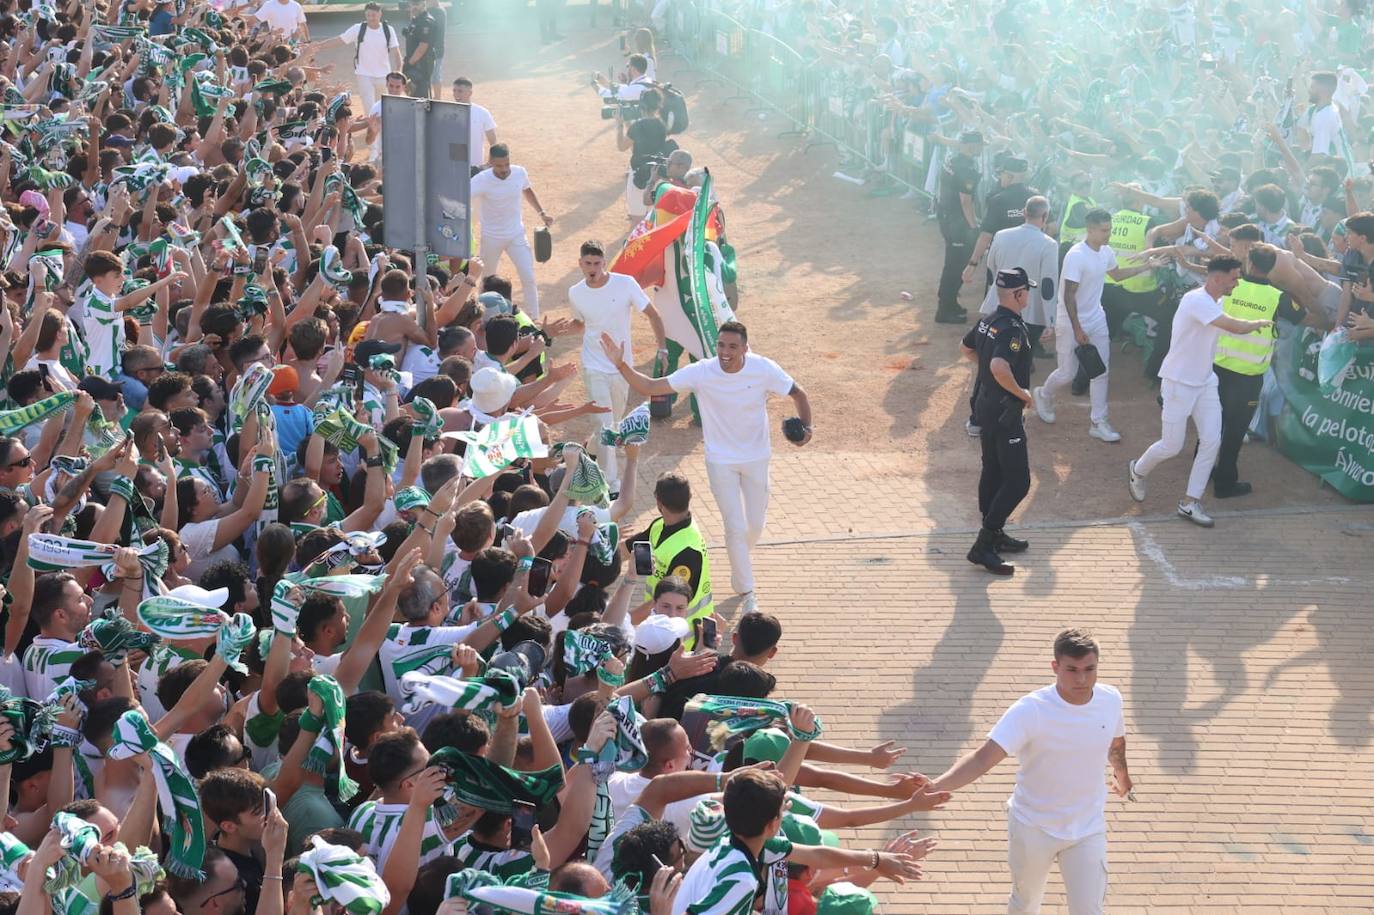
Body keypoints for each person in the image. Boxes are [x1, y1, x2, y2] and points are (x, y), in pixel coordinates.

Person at [600, 321, 811, 608]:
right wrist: (621, 364)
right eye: (721, 345)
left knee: (754, 527)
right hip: (720, 461)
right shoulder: (702, 372)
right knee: (735, 527)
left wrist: (806, 430)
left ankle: (740, 564)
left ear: (745, 348)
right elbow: (650, 386)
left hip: (757, 458)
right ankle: (748, 593)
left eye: (733, 346)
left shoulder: (763, 369)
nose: (725, 352)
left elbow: (799, 393)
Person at [927, 629, 1132, 915]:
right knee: (1025, 904)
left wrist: (1122, 775)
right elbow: (982, 759)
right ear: (1055, 667)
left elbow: (1116, 741)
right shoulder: (1030, 710)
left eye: (1089, 669)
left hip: (1087, 829)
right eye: (1072, 670)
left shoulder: (1111, 699)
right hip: (1033, 827)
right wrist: (934, 786)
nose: (1082, 679)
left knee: (1089, 909)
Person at [1128, 257, 1272, 527]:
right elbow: (1235, 327)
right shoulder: (1197, 301)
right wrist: (1258, 322)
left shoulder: (1215, 301)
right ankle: (1137, 470)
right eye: (1234, 278)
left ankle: (1190, 502)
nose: (1237, 282)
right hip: (1178, 382)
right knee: (1171, 445)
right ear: (1217, 279)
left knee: (1211, 441)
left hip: (1206, 382)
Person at [1032, 209, 1160, 444]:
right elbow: (1069, 296)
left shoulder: (1106, 252)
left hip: (1097, 319)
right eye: (1104, 230)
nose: (1108, 234)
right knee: (1067, 373)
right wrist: (1078, 329)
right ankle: (1043, 393)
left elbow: (1118, 274)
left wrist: (1147, 266)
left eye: (1109, 229)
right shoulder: (1076, 255)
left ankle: (1098, 422)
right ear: (1089, 230)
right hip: (1070, 320)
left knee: (1101, 370)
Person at [566, 240, 667, 495]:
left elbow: (653, 315)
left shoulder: (625, 284)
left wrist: (662, 347)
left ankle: (590, 449)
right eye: (588, 263)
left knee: (614, 422)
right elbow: (581, 324)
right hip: (593, 365)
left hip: (621, 366)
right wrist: (562, 329)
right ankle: (610, 484)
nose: (593, 268)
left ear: (604, 262)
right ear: (580, 264)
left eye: (597, 263)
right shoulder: (575, 293)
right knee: (607, 425)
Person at [1210, 245, 1303, 498]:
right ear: (1272, 267)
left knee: (1210, 424)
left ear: (1248, 261)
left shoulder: (1230, 286)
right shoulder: (1278, 296)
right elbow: (1300, 314)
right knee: (1235, 431)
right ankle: (1225, 483)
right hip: (1248, 374)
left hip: (1217, 366)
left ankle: (1204, 471)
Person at [960, 269, 1035, 576]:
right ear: (1018, 295)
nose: (1028, 295)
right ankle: (984, 544)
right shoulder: (1012, 330)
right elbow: (998, 365)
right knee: (1018, 481)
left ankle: (995, 533)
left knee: (993, 468)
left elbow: (966, 348)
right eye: (1026, 291)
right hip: (1005, 412)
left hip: (985, 406)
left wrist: (992, 379)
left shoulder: (988, 320)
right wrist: (1022, 394)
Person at [470, 144, 554, 319]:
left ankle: (534, 318)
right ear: (491, 162)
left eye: (507, 164)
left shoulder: (519, 172)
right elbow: (462, 197)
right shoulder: (481, 180)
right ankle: (480, 317)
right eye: (499, 165)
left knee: (528, 276)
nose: (504, 169)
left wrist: (542, 213)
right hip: (491, 238)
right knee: (487, 280)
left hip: (516, 235)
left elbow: (527, 190)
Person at [963, 153, 1040, 288]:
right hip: (1030, 259)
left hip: (1003, 261)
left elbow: (986, 236)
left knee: (999, 300)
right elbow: (1051, 227)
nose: (1000, 177)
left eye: (1002, 174)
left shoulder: (998, 200)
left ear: (1010, 176)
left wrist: (972, 264)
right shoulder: (1037, 198)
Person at [312, 3, 402, 114]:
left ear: (380, 14)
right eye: (368, 15)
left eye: (373, 15)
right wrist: (318, 46)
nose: (370, 18)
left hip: (383, 75)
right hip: (364, 74)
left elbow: (396, 53)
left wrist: (398, 71)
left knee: (383, 108)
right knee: (369, 109)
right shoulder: (358, 29)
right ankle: (372, 130)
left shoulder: (388, 30)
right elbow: (339, 40)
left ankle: (382, 131)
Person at [935, 131, 984, 324]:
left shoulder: (952, 160)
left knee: (954, 264)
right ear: (971, 146)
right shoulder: (967, 169)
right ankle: (944, 309)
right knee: (955, 266)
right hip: (958, 222)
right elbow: (966, 201)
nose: (981, 148)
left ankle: (949, 303)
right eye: (980, 144)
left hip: (946, 216)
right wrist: (973, 226)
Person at [453, 77, 498, 167]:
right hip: (454, 166)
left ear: (470, 93)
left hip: (475, 166)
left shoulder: (482, 113)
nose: (456, 94)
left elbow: (493, 141)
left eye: (460, 91)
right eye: (454, 90)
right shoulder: (447, 112)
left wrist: (490, 162)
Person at [401, 0, 440, 100]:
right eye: (412, 4)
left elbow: (423, 47)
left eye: (417, 4)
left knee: (420, 96)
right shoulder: (416, 19)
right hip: (415, 62)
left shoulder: (426, 21)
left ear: (424, 4)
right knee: (411, 93)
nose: (414, 7)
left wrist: (409, 63)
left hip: (421, 64)